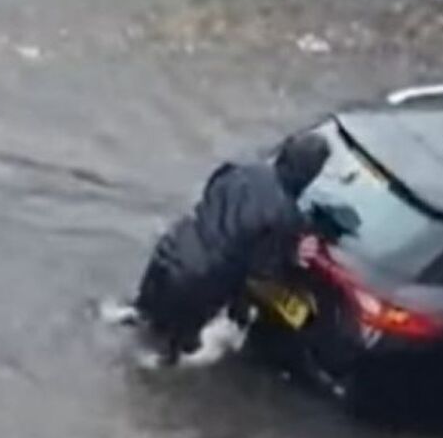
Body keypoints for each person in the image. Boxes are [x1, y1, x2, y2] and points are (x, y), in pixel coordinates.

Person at [128, 131, 332, 366]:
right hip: (199, 283)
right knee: (171, 356)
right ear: (310, 174)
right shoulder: (286, 216)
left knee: (137, 317)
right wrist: (294, 256)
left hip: (171, 249)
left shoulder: (240, 168)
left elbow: (210, 192)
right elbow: (263, 271)